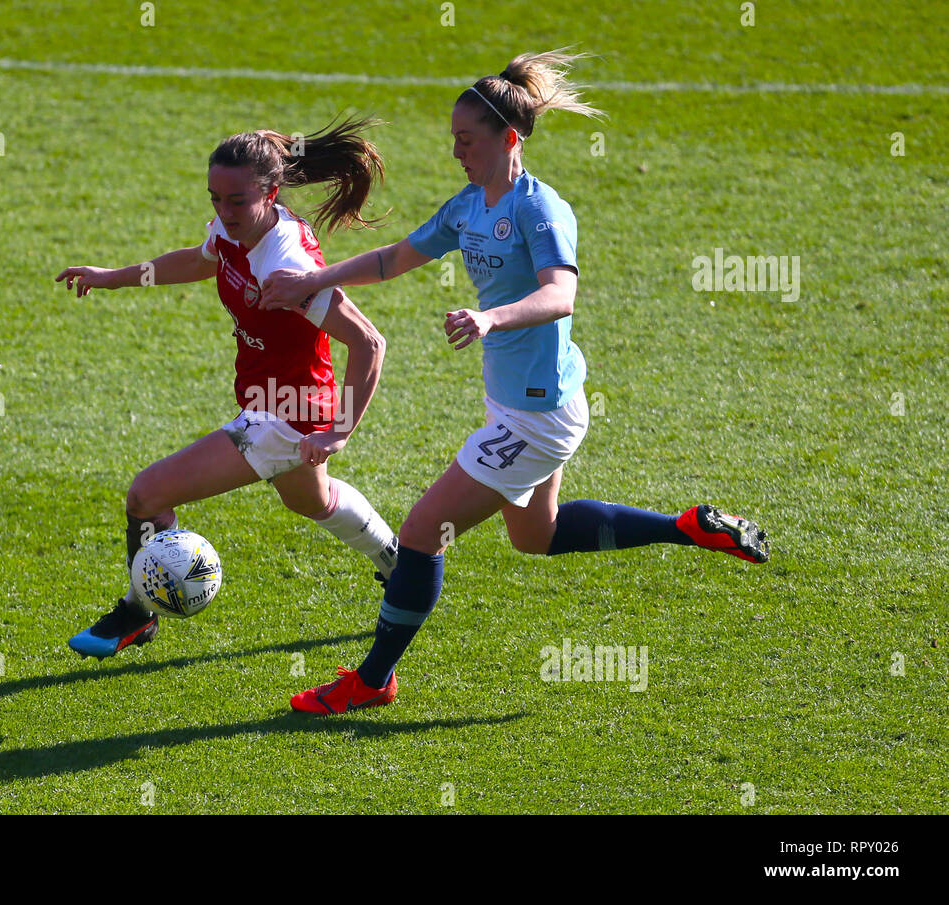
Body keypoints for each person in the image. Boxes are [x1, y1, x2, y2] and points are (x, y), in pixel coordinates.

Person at [260, 52, 770, 714]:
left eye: (466, 141)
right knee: (536, 535)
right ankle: (690, 526)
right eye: (453, 140)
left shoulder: (541, 210)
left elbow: (561, 294)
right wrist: (313, 280)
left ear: (509, 138)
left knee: (419, 533)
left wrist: (489, 315)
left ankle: (373, 677)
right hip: (527, 400)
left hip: (535, 416)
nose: (456, 153)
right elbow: (394, 258)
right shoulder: (470, 205)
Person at [56, 118, 399, 659]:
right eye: (215, 198)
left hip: (287, 414)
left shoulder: (284, 265)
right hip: (272, 401)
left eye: (236, 201)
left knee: (146, 496)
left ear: (271, 192)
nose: (223, 212)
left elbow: (369, 343)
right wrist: (113, 275)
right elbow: (198, 260)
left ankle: (136, 615)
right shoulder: (236, 230)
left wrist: (338, 431)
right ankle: (398, 565)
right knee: (315, 501)